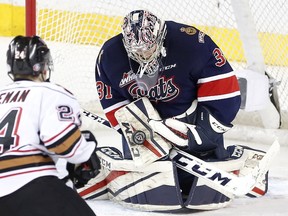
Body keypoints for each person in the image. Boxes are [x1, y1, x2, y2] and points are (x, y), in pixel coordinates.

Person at [79, 10, 269, 211]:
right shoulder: (109, 56)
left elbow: (222, 89)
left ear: (161, 36)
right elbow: (114, 103)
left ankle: (220, 155)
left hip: (189, 121)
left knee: (203, 166)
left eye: (148, 49)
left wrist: (205, 131)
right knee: (147, 177)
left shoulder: (192, 43)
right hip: (147, 125)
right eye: (137, 51)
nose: (143, 55)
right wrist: (140, 133)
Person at [0, 35, 100, 216]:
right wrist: (86, 152)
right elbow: (65, 144)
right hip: (30, 185)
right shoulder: (51, 92)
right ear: (43, 66)